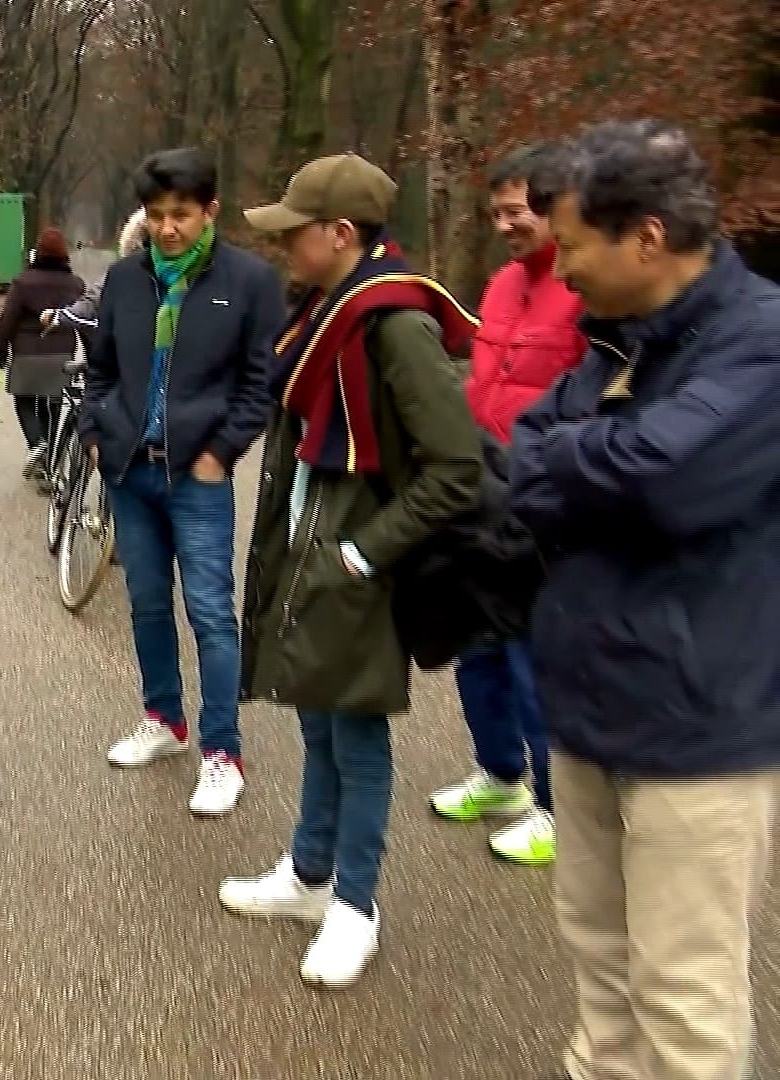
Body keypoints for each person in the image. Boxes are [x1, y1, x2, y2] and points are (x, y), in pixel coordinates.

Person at [509, 119, 780, 1080]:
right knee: (600, 968)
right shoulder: (610, 344)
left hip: (697, 733)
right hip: (588, 709)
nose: (561, 264)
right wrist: (585, 462)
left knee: (685, 998)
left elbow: (664, 478)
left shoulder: (763, 344)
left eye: (574, 242)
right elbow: (526, 452)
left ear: (648, 238)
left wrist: (571, 462)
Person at [221, 153, 482, 988]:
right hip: (313, 551)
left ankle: (355, 907)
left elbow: (456, 466)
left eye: (295, 232)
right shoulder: (328, 310)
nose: (283, 246)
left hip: (358, 562)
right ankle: (308, 874)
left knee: (357, 734)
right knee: (318, 720)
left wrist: (364, 554)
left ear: (341, 235)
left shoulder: (391, 321)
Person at [83, 148, 283, 816]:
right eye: (159, 216)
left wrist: (221, 453)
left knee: (209, 612)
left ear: (210, 211)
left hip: (198, 474)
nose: (169, 230)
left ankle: (222, 751)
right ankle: (164, 720)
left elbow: (261, 383)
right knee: (145, 602)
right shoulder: (124, 280)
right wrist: (93, 432)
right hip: (131, 470)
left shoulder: (249, 281)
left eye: (183, 215)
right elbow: (100, 367)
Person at [426, 141, 584, 867]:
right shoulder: (498, 286)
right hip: (481, 490)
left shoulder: (585, 288)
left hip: (549, 499)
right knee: (477, 643)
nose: (506, 224)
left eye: (516, 211)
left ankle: (560, 808)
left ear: (554, 207)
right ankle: (501, 774)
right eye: (496, 213)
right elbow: (486, 377)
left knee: (536, 655)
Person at [0, 227, 87, 476]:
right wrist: (95, 357)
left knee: (24, 402)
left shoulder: (23, 282)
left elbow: (7, 321)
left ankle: (37, 444)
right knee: (53, 407)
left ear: (38, 253)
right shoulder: (75, 285)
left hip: (27, 354)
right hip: (61, 355)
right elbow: (87, 321)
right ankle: (49, 461)